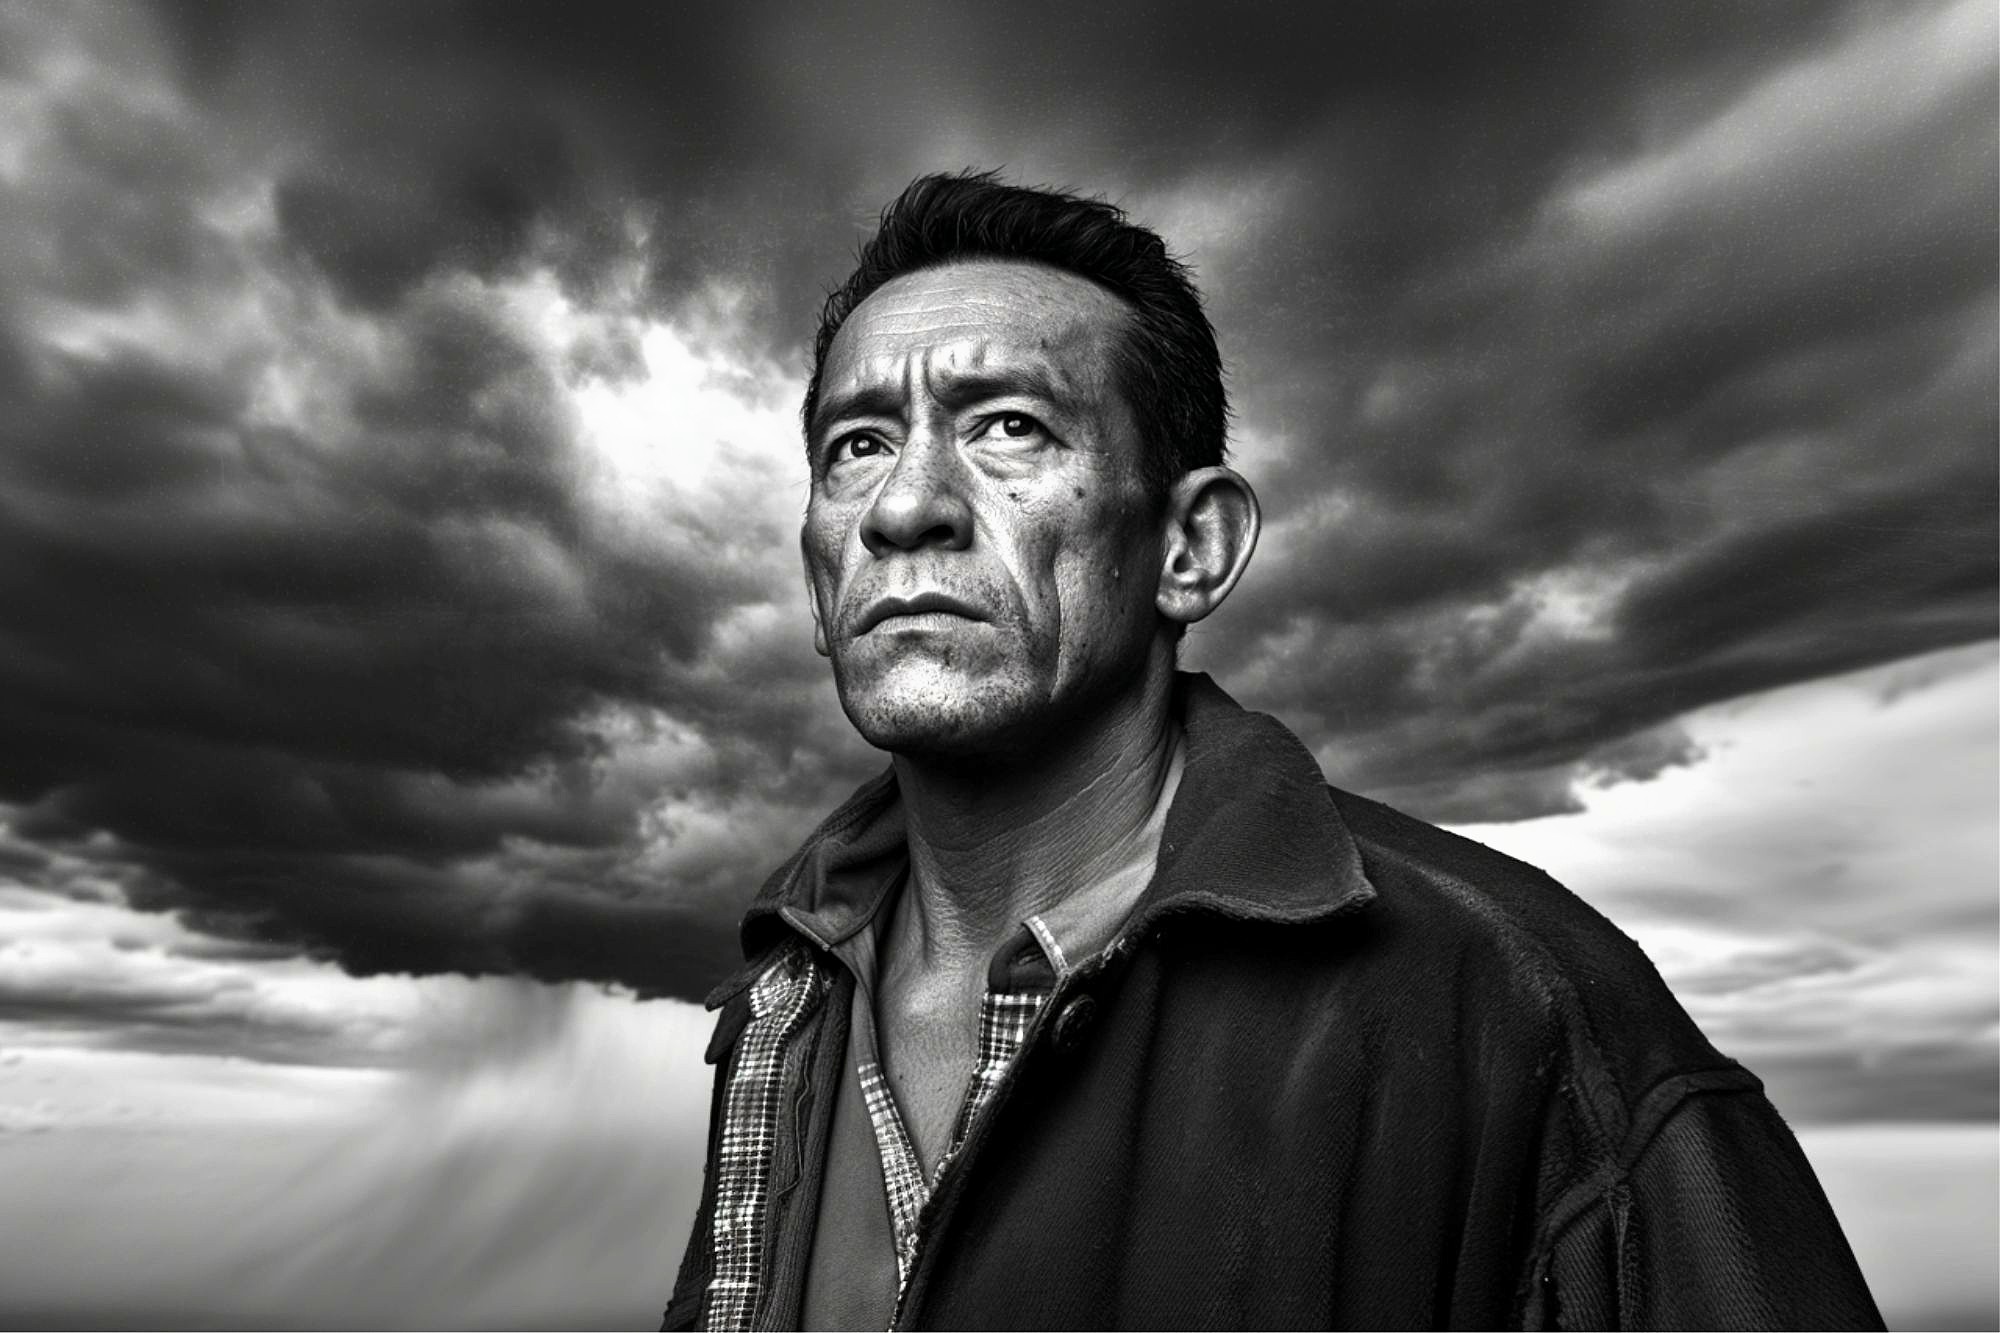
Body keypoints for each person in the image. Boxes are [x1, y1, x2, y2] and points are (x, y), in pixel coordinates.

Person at [663, 171, 1883, 1332]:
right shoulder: (784, 1004)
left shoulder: (1522, 1005)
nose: (900, 505)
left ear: (1191, 547)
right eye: (856, 444)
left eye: (1009, 426)